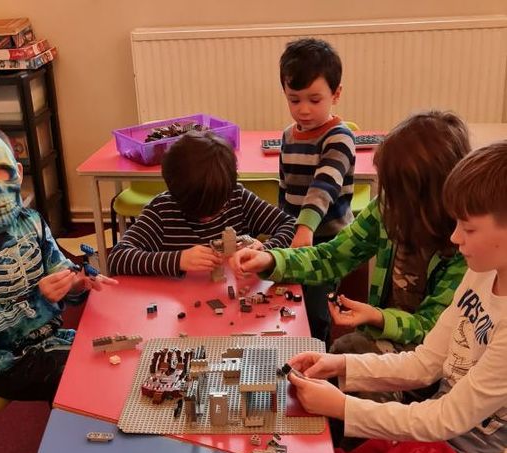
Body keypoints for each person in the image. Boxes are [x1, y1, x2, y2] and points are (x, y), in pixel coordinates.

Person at [284, 140, 507, 453]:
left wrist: (341, 406)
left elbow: (447, 418)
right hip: (442, 437)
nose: (455, 238)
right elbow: (427, 362)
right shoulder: (481, 273)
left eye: (468, 228)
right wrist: (342, 367)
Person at [231, 111, 470, 391]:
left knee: (345, 367)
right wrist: (272, 258)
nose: (386, 200)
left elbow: (432, 329)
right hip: (381, 338)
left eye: (396, 193)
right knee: (335, 360)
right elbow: (332, 256)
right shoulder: (387, 209)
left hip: (430, 362)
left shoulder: (465, 250)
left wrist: (376, 316)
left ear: (430, 197)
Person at [0, 124, 117, 404]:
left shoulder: (31, 221)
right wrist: (40, 299)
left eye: (2, 172)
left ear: (18, 173)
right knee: (82, 373)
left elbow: (60, 271)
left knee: (112, 350)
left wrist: (77, 283)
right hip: (4, 363)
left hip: (52, 338)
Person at [107, 130, 295, 277]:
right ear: (175, 194)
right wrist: (178, 260)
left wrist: (266, 252)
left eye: (218, 208)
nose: (207, 218)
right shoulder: (162, 211)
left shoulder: (237, 197)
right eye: (195, 211)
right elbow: (117, 258)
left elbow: (290, 226)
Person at [278, 37, 356, 341]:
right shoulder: (288, 136)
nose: (304, 110)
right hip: (297, 237)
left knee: (316, 309)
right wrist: (284, 230)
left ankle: (319, 354)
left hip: (327, 241)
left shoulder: (339, 137)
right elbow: (285, 189)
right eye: (294, 100)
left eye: (314, 99)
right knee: (290, 302)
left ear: (336, 94)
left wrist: (306, 227)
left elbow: (324, 186)